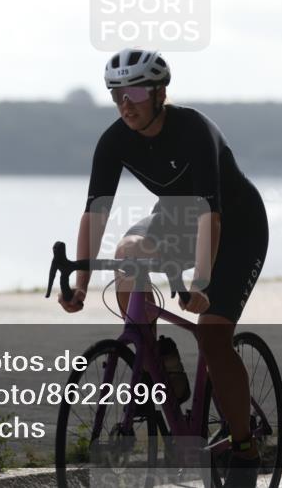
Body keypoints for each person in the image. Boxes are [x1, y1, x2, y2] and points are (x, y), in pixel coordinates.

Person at [57, 48, 270, 487]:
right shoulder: (114, 140)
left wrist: (201, 283)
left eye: (135, 92)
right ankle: (154, 357)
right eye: (116, 94)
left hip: (237, 227)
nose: (125, 103)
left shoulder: (194, 131)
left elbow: (211, 216)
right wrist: (80, 283)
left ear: (160, 93)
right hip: (176, 218)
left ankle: (245, 447)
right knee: (127, 252)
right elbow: (95, 213)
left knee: (213, 337)